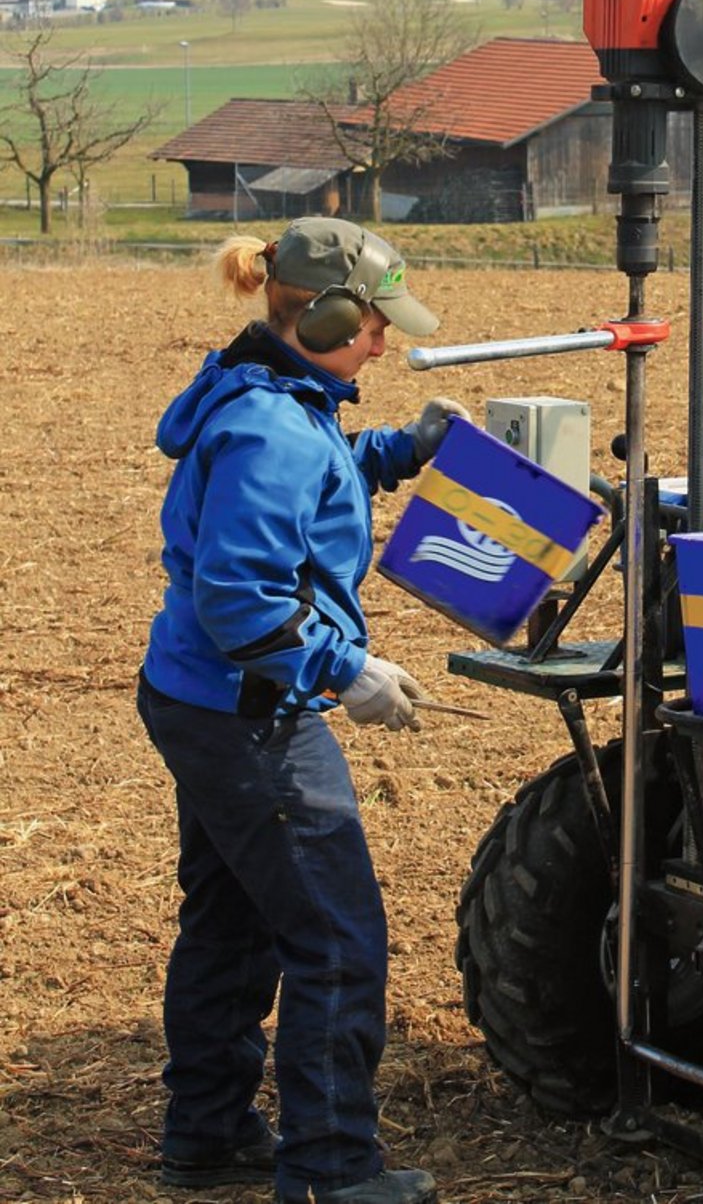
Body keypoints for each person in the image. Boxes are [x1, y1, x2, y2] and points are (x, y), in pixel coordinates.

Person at [137, 217, 469, 1204]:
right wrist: (348, 669)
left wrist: (400, 451)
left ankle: (204, 1131)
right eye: (373, 325)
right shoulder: (271, 428)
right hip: (250, 714)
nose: (383, 342)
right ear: (323, 315)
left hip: (197, 697)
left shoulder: (270, 390)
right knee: (335, 939)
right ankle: (329, 1173)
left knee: (233, 921)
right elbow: (239, 598)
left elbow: (315, 473)